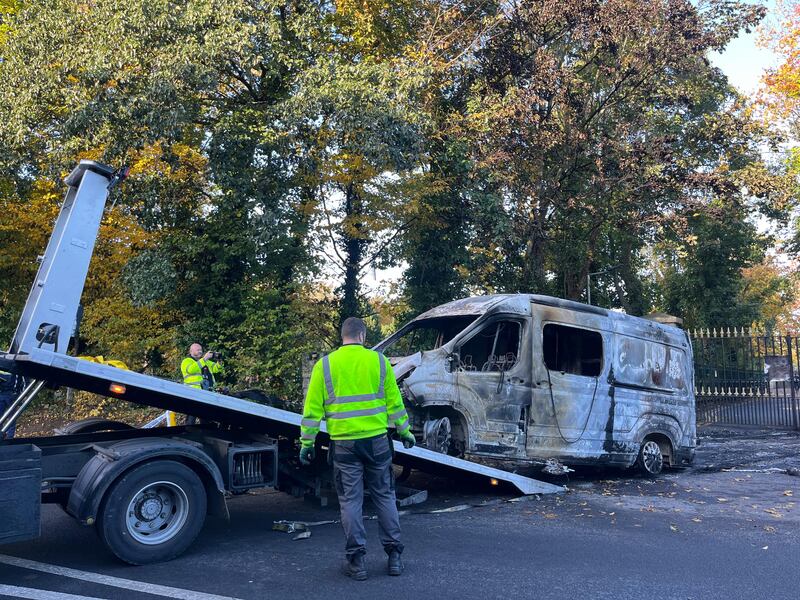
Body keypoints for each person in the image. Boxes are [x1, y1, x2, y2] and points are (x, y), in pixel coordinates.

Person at [299, 317, 416, 581]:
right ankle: (394, 556)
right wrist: (405, 431)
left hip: (344, 444)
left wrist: (307, 442)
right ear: (362, 336)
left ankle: (357, 561)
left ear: (343, 336)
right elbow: (394, 403)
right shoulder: (379, 361)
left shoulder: (325, 365)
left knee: (351, 501)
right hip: (377, 441)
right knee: (385, 496)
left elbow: (312, 410)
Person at [176, 343, 223, 425]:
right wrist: (204, 359)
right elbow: (191, 369)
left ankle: (206, 434)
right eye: (198, 350)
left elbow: (217, 369)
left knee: (206, 418)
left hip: (207, 394)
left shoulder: (206, 362)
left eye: (201, 349)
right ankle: (189, 434)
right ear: (191, 351)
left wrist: (219, 361)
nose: (200, 351)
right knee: (191, 417)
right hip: (193, 394)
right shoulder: (186, 361)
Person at [0, 370, 25, 439]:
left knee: (12, 418)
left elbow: (25, 381)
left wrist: (21, 395)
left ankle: (9, 438)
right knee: (10, 418)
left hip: (12, 395)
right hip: (4, 394)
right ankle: (6, 437)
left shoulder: (17, 365)